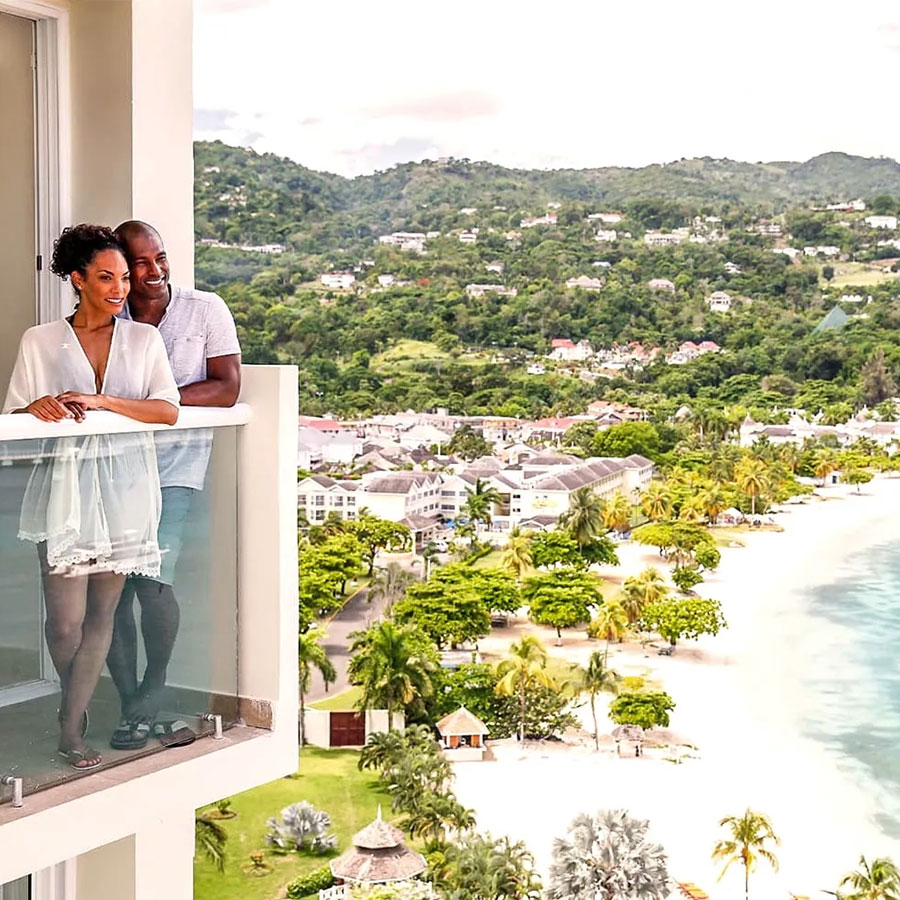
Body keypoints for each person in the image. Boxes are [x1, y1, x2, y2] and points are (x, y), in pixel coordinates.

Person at [2, 224, 180, 770]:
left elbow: (167, 409)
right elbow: (15, 413)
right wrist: (36, 408)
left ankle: (69, 726)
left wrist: (103, 402)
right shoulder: (40, 341)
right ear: (77, 279)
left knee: (103, 614)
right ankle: (73, 703)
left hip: (128, 486)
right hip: (65, 488)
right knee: (65, 623)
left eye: (124, 277)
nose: (121, 288)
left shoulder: (144, 340)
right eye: (106, 277)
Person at [105, 220, 241, 750]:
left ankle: (154, 687)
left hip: (177, 469)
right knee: (112, 592)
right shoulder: (107, 315)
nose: (154, 270)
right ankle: (133, 706)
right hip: (114, 469)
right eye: (140, 262)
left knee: (154, 582)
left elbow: (227, 388)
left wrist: (155, 404)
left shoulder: (205, 309)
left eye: (159, 257)